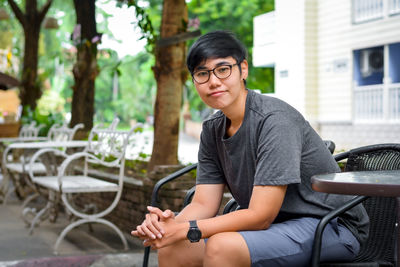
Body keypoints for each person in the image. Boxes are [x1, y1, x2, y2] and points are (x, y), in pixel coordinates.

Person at [131, 30, 369, 267]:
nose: (213, 81)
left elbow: (260, 215)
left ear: (243, 69)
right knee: (175, 246)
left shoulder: (274, 120)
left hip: (330, 226)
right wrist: (168, 227)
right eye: (202, 74)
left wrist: (187, 229)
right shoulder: (212, 129)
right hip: (275, 226)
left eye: (223, 69)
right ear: (194, 81)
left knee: (222, 247)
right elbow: (203, 204)